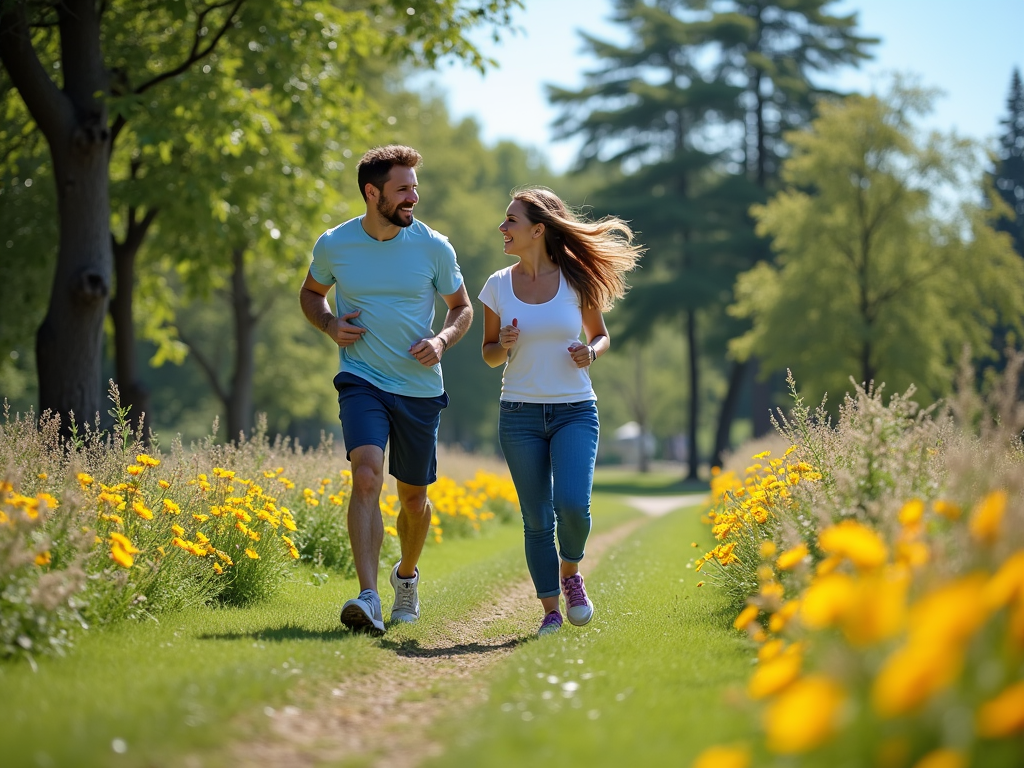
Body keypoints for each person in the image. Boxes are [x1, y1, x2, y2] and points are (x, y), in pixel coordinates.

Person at [300, 145, 473, 635]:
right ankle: (369, 595)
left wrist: (441, 339)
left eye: (415, 188)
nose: (413, 197)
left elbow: (462, 307)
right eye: (403, 189)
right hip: (362, 379)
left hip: (419, 387)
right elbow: (311, 294)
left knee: (414, 499)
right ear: (372, 193)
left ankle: (406, 576)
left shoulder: (434, 246)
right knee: (367, 475)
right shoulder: (334, 244)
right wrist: (330, 324)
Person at [479, 187, 643, 636]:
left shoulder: (577, 280)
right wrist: (503, 346)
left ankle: (571, 573)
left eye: (511, 220)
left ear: (538, 229)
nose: (503, 228)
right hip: (519, 414)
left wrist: (591, 352)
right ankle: (550, 610)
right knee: (537, 519)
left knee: (573, 506)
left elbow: (601, 335)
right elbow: (489, 354)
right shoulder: (497, 285)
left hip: (574, 411)